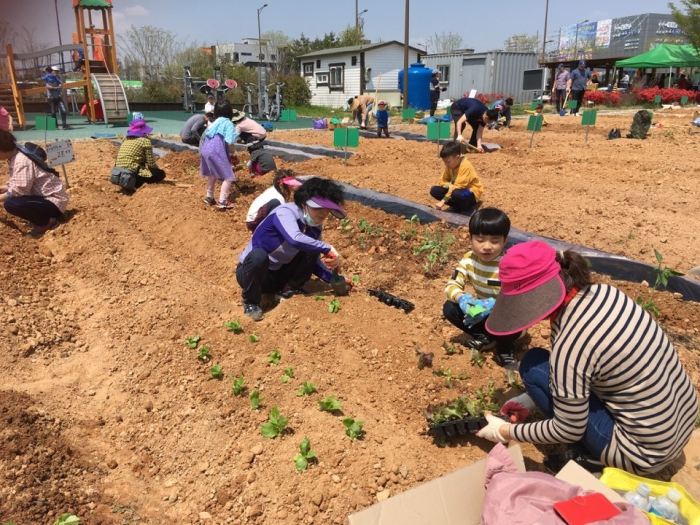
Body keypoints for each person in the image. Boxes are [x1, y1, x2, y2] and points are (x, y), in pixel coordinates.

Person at [475, 240, 698, 476]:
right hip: (681, 424)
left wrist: (505, 431)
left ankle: (593, 457)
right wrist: (530, 400)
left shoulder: (571, 344)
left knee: (533, 366)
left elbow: (568, 429)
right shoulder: (608, 293)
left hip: (641, 455)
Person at [236, 177, 345, 321]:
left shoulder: (314, 228)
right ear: (304, 202)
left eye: (327, 210)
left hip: (278, 275)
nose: (323, 214)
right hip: (253, 274)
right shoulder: (285, 212)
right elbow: (295, 238)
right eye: (318, 208)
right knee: (258, 256)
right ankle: (251, 302)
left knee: (312, 249)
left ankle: (288, 289)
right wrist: (326, 247)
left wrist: (334, 279)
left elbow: (313, 261)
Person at [443, 208, 520, 368]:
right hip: (482, 311)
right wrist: (462, 298)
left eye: (494, 241)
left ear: (505, 241)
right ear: (470, 238)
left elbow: (518, 297)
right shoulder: (468, 260)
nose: (487, 246)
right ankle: (485, 336)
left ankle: (505, 349)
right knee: (450, 308)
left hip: (506, 315)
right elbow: (452, 285)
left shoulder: (509, 265)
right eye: (480, 239)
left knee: (509, 317)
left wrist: (493, 305)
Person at [0, 130, 69, 235]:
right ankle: (42, 217)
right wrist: (4, 187)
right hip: (43, 198)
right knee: (9, 198)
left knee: (11, 203)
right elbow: (18, 180)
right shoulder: (15, 154)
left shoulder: (21, 161)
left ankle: (47, 221)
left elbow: (20, 190)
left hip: (54, 201)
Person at [200, 99, 239, 210]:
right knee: (228, 176)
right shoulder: (228, 123)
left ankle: (209, 197)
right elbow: (229, 141)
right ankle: (222, 201)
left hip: (206, 150)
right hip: (217, 151)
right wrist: (233, 152)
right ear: (230, 112)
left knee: (212, 174)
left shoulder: (214, 122)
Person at [429, 140, 484, 213]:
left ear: (457, 158)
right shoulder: (450, 166)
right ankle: (457, 206)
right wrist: (449, 185)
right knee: (435, 190)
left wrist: (443, 201)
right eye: (444, 162)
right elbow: (442, 180)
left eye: (448, 162)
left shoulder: (465, 166)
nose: (446, 164)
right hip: (456, 190)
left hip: (471, 192)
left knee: (456, 193)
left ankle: (468, 209)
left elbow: (458, 186)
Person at [113, 119, 166, 190]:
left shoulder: (125, 139)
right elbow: (151, 164)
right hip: (130, 174)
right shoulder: (145, 141)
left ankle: (127, 182)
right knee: (160, 174)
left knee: (140, 163)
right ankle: (135, 184)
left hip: (117, 173)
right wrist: (157, 170)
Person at [41, 66, 70, 130]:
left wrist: (54, 87)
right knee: (53, 112)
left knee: (63, 111)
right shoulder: (48, 79)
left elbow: (60, 86)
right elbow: (48, 86)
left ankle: (64, 125)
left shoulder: (57, 78)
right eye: (55, 71)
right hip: (51, 98)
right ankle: (55, 126)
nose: (56, 72)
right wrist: (54, 87)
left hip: (58, 98)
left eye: (57, 71)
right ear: (52, 71)